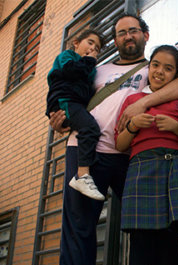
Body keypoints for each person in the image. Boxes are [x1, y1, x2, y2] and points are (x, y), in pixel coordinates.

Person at [49, 14, 178, 265]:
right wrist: (58, 116)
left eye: (133, 31)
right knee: (79, 230)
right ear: (114, 40)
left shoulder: (153, 68)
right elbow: (68, 95)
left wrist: (143, 105)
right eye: (120, 32)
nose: (127, 36)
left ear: (145, 34)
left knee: (157, 229)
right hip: (85, 154)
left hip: (132, 156)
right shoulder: (94, 69)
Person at [108, 45, 178, 265]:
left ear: (176, 73)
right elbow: (119, 144)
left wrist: (177, 127)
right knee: (140, 242)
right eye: (156, 65)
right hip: (140, 168)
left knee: (168, 239)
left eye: (168, 68)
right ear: (149, 67)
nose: (160, 72)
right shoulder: (132, 100)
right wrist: (132, 124)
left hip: (171, 167)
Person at [46, 29, 106, 200]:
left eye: (98, 47)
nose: (93, 48)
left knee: (90, 128)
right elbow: (70, 72)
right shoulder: (67, 56)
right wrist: (89, 61)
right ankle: (82, 176)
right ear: (76, 43)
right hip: (64, 100)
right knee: (90, 127)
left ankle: (87, 173)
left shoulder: (90, 69)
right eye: (90, 42)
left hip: (75, 104)